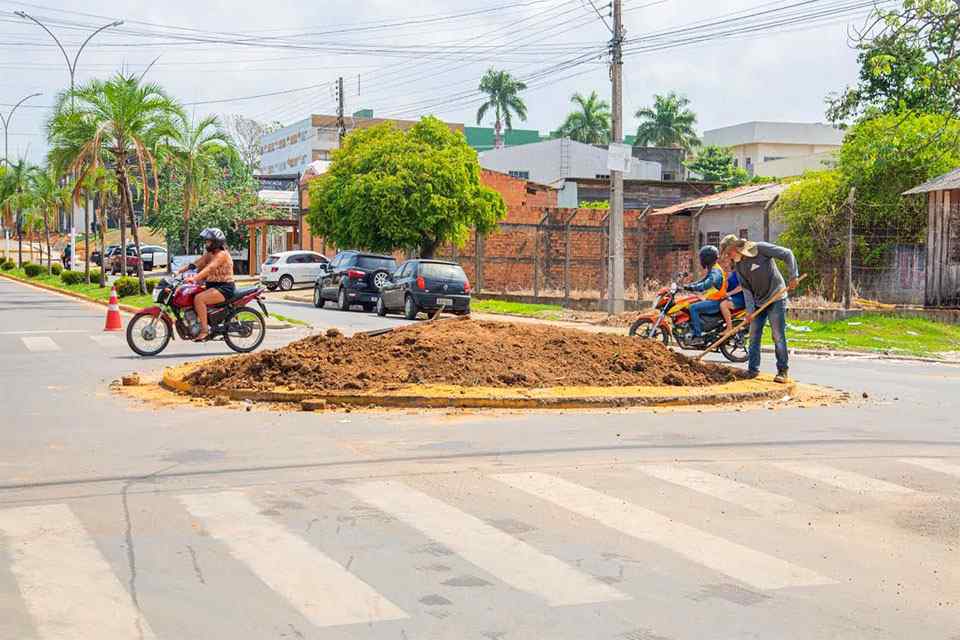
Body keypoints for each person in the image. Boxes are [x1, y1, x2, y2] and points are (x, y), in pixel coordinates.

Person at [719, 234, 799, 384]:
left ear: (736, 248)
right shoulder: (739, 266)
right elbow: (747, 290)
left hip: (776, 296)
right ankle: (752, 370)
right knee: (754, 335)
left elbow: (787, 253)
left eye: (729, 253)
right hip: (758, 302)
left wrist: (793, 276)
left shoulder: (760, 248)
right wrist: (749, 311)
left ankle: (782, 371)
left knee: (778, 335)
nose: (728, 256)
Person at [177, 228, 234, 342]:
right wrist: (179, 272)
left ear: (216, 242)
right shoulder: (209, 254)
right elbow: (197, 263)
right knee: (191, 293)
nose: (206, 243)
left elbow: (210, 268)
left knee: (199, 299)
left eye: (209, 241)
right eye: (206, 241)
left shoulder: (222, 254)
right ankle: (197, 322)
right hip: (212, 286)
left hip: (224, 287)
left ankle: (204, 331)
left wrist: (195, 278)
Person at [682, 245, 727, 347]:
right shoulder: (713, 268)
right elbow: (702, 280)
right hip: (713, 299)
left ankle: (698, 336)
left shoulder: (715, 271)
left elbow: (707, 283)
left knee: (693, 308)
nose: (700, 260)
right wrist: (689, 286)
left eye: (702, 257)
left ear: (707, 258)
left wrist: (694, 288)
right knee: (692, 303)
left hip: (716, 301)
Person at [719, 255, 746, 332]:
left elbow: (741, 287)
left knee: (723, 305)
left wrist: (729, 294)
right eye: (723, 262)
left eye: (725, 261)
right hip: (731, 298)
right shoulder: (726, 273)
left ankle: (729, 328)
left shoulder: (739, 273)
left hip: (740, 298)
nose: (723, 263)